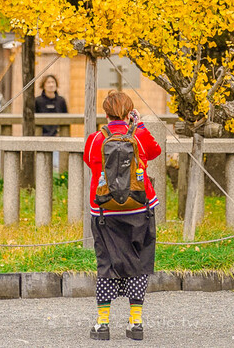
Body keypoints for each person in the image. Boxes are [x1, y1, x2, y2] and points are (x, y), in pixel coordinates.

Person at [84, 90, 161, 342]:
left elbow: (89, 161)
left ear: (105, 114)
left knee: (105, 262)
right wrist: (138, 125)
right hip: (139, 208)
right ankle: (136, 322)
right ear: (129, 113)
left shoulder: (95, 139)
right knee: (139, 261)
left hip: (105, 210)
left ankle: (102, 324)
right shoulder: (138, 137)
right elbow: (157, 151)